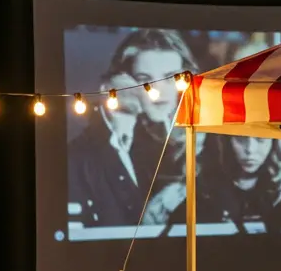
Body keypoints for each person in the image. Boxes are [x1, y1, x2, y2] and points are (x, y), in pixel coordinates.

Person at [68, 29, 203, 229]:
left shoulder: (170, 140)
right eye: (145, 79)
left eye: (170, 78)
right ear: (121, 81)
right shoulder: (82, 155)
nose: (159, 91)